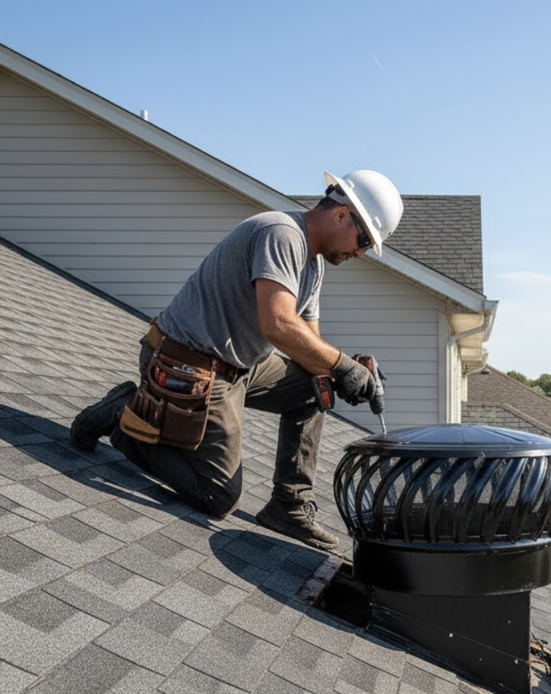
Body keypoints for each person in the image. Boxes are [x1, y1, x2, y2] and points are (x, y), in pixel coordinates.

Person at [70, 169, 403, 552]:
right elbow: (277, 324)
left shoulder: (313, 264)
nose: (360, 252)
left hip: (236, 366)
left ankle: (288, 505)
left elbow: (307, 342)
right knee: (218, 496)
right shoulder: (281, 234)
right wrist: (342, 365)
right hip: (186, 361)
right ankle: (125, 419)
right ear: (341, 214)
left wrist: (342, 370)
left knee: (316, 384)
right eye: (363, 239)